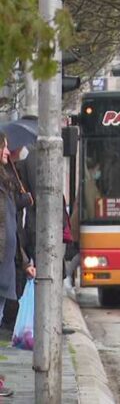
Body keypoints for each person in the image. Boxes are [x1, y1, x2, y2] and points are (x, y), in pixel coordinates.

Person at [0, 134, 34, 398]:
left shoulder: (6, 182)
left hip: (7, 269)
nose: (6, 150)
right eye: (3, 146)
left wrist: (24, 263)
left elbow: (12, 228)